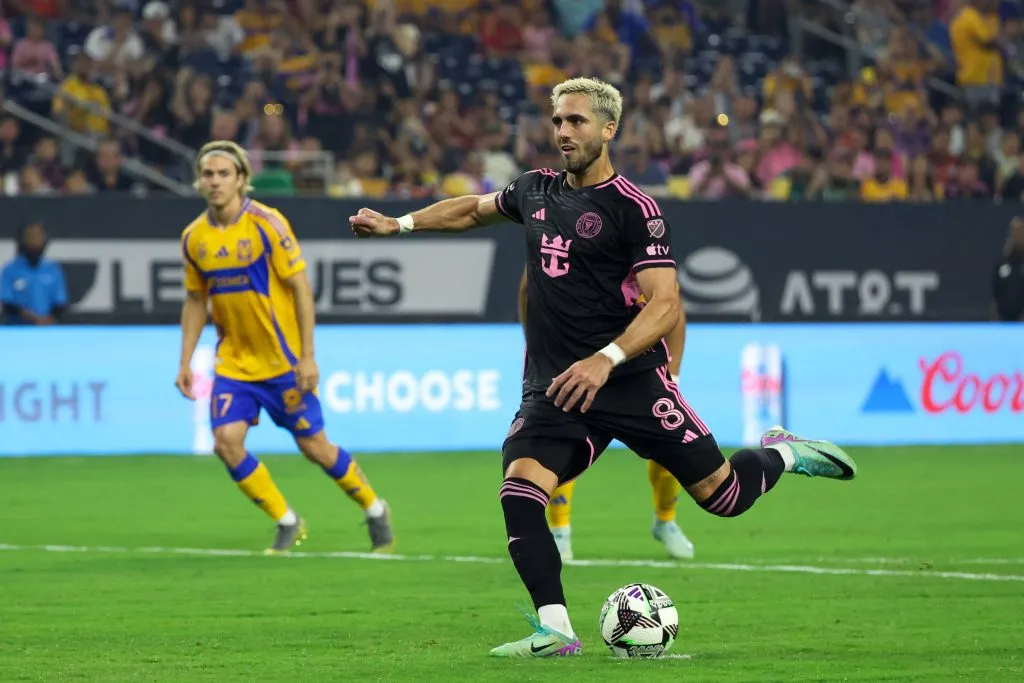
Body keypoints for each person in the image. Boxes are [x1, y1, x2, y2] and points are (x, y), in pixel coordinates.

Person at [349, 77, 857, 658]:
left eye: (577, 122)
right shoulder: (535, 189)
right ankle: (556, 629)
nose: (563, 132)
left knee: (724, 497)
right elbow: (473, 210)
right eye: (558, 121)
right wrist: (400, 224)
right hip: (559, 387)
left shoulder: (633, 209)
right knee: (520, 489)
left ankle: (784, 451)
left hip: (632, 379)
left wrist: (606, 358)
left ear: (609, 128)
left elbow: (666, 302)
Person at [177, 140, 395, 554]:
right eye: (208, 174)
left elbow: (299, 289)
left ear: (242, 179)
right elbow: (194, 300)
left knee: (315, 448)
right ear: (199, 181)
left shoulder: (267, 224)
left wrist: (308, 355)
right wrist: (185, 359)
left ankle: (373, 506)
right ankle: (286, 520)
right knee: (225, 442)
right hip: (235, 364)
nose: (215, 181)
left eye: (224, 173)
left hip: (284, 362)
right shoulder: (194, 238)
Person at [519, 266, 695, 561]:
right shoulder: (564, 251)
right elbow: (528, 289)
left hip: (636, 367)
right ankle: (560, 531)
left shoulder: (636, 257)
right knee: (562, 439)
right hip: (578, 362)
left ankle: (666, 520)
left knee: (673, 442)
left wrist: (673, 376)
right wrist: (539, 347)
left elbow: (671, 308)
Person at [1, 222, 67, 325]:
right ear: (23, 241)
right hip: (18, 330)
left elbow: (60, 302)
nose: (34, 242)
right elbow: (8, 304)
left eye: (38, 238)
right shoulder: (10, 270)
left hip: (47, 329)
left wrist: (47, 320)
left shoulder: (53, 269)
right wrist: (34, 318)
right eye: (30, 238)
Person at [991, 216, 1024, 322]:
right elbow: (995, 292)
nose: (1018, 235)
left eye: (1020, 232)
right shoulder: (1002, 263)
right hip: (1004, 320)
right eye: (1015, 232)